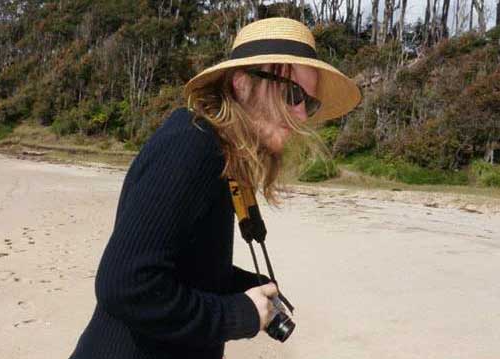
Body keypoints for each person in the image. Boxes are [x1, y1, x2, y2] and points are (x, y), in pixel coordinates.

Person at [68, 17, 361, 359]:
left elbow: (183, 266)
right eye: (292, 94)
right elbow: (126, 286)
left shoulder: (219, 153)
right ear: (241, 84)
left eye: (308, 103)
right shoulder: (192, 145)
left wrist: (241, 286)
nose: (300, 115)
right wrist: (239, 315)